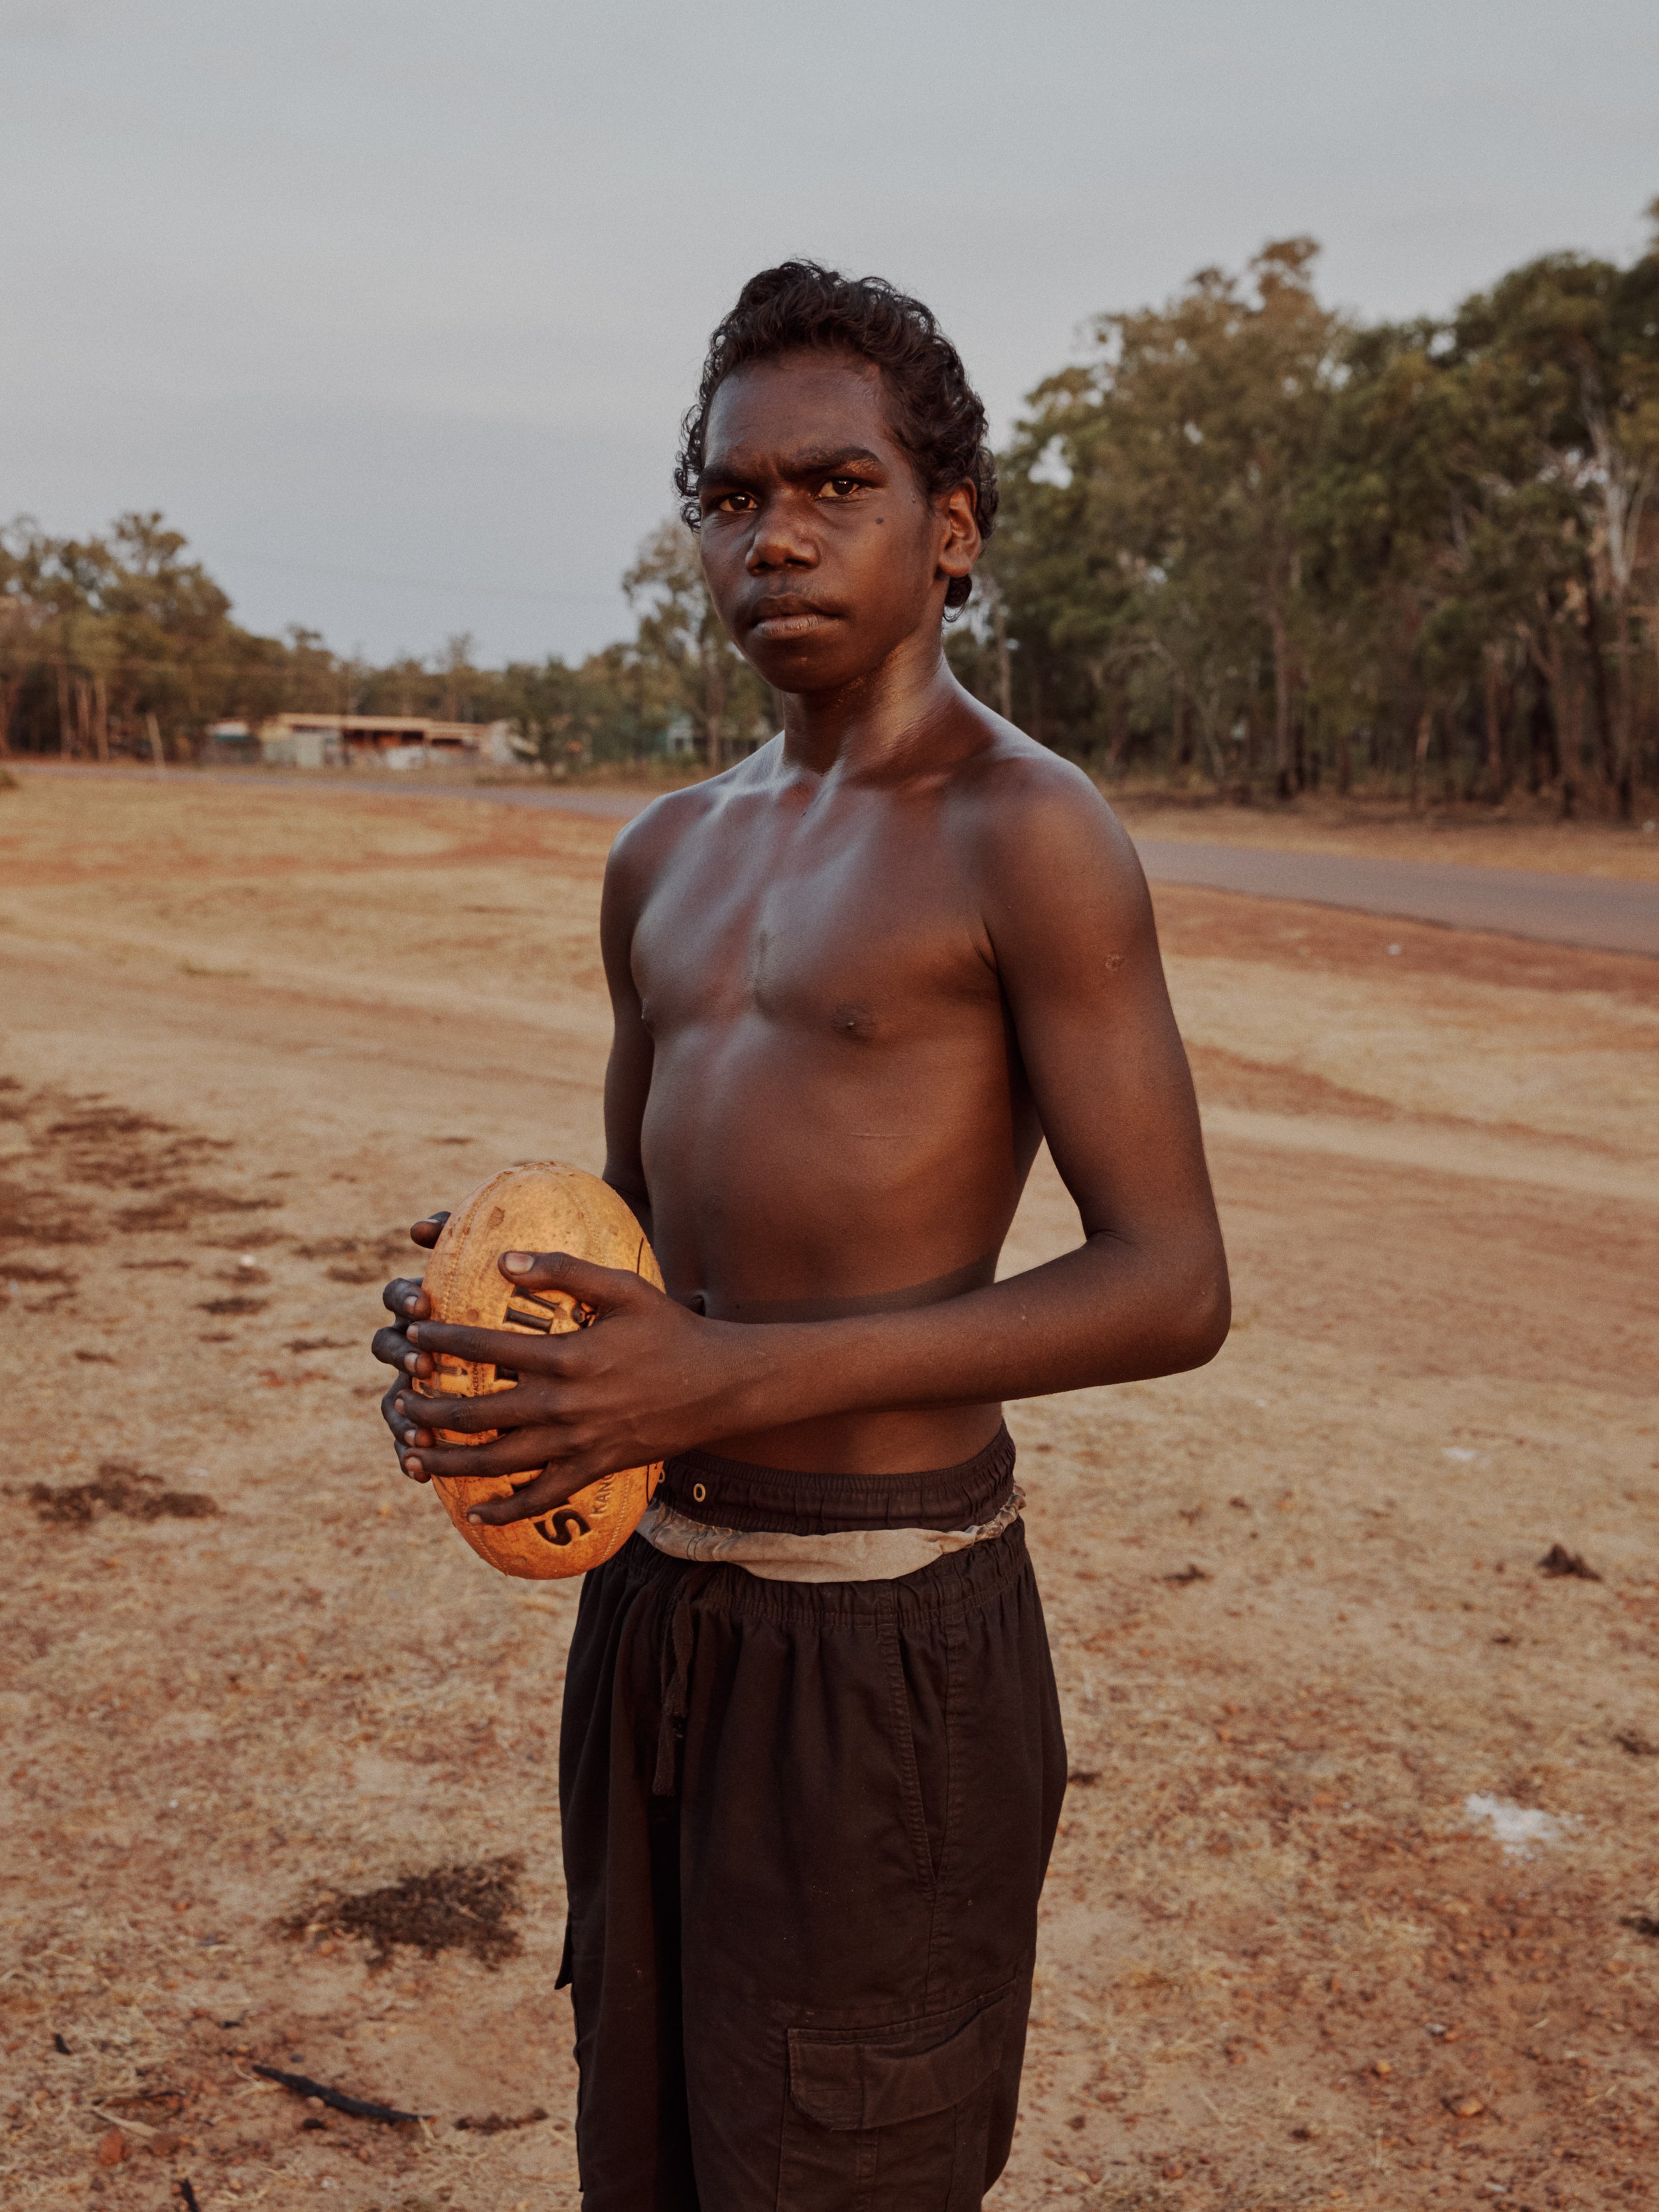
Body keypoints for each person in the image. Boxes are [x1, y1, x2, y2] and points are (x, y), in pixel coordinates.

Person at [372, 261, 1228, 2211]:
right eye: (728, 495)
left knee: (849, 2153)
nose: (773, 536)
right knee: (655, 2142)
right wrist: (497, 1333)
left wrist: (735, 1370)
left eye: (831, 486)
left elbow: (1173, 1283)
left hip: (887, 1635)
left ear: (947, 531)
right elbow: (649, 1250)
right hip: (659, 1617)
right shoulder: (663, 852)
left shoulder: (1025, 829)